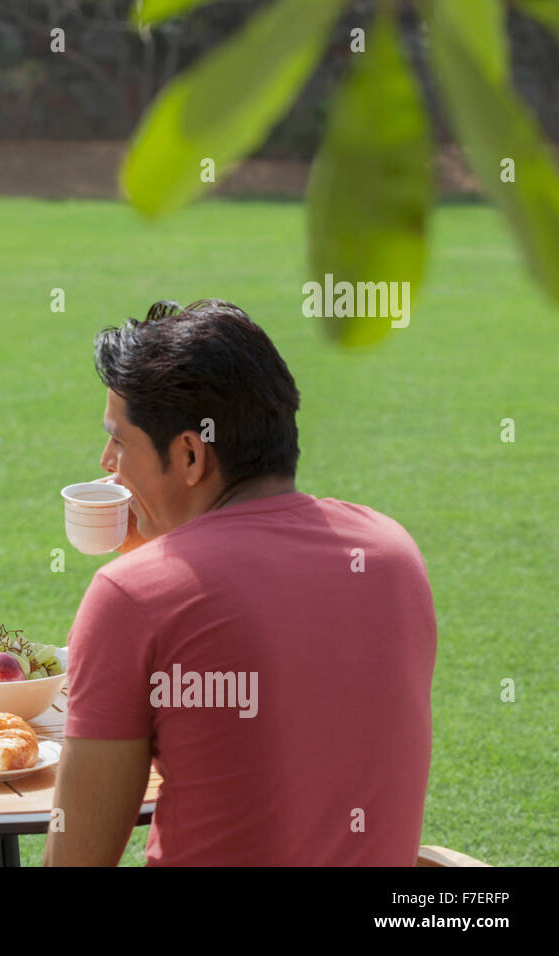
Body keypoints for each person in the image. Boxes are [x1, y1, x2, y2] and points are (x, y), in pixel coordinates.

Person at [44, 299, 436, 866]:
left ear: (189, 454)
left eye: (120, 441)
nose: (108, 461)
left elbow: (76, 862)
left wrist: (149, 577)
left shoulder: (133, 597)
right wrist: (169, 553)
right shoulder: (390, 553)